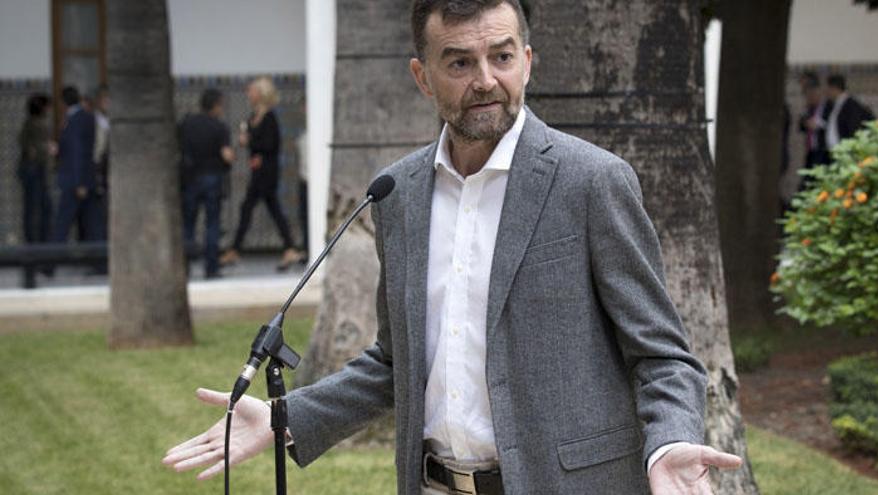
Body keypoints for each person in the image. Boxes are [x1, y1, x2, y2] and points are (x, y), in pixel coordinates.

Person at [164, 2, 742, 494]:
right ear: (423, 76)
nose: (485, 79)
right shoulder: (398, 193)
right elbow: (398, 359)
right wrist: (287, 418)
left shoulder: (592, 181)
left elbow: (662, 354)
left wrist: (670, 440)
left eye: (502, 56)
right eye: (460, 62)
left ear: (528, 61)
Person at [218, 77, 305, 271]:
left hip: (267, 171)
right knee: (268, 208)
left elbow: (270, 144)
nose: (249, 95)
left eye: (252, 91)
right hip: (257, 170)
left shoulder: (269, 117)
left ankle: (236, 249)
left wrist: (250, 142)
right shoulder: (252, 117)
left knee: (249, 207)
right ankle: (289, 247)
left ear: (261, 93)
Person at [179, 88, 235, 279]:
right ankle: (211, 268)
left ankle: (183, 266)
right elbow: (226, 155)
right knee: (212, 224)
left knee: (188, 225)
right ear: (217, 105)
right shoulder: (219, 127)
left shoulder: (187, 124)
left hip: (190, 179)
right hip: (212, 177)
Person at [52, 85, 99, 244]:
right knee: (91, 223)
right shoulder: (86, 117)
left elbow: (78, 152)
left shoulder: (74, 120)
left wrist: (79, 182)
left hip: (75, 181)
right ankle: (96, 262)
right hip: (85, 178)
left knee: (63, 222)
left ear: (63, 102)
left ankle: (50, 262)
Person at [17, 93, 55, 244]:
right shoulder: (37, 124)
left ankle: (35, 250)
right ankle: (38, 251)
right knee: (39, 211)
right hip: (35, 171)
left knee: (36, 210)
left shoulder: (30, 123)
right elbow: (33, 149)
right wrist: (48, 148)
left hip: (31, 171)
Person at [821, 74, 876, 150]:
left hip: (847, 150)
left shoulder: (850, 105)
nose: (826, 92)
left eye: (828, 89)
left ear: (834, 88)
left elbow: (854, 129)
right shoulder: (835, 105)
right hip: (837, 150)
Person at [91, 84, 111, 241]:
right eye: (105, 100)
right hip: (97, 169)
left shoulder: (111, 120)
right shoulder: (92, 120)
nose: (108, 103)